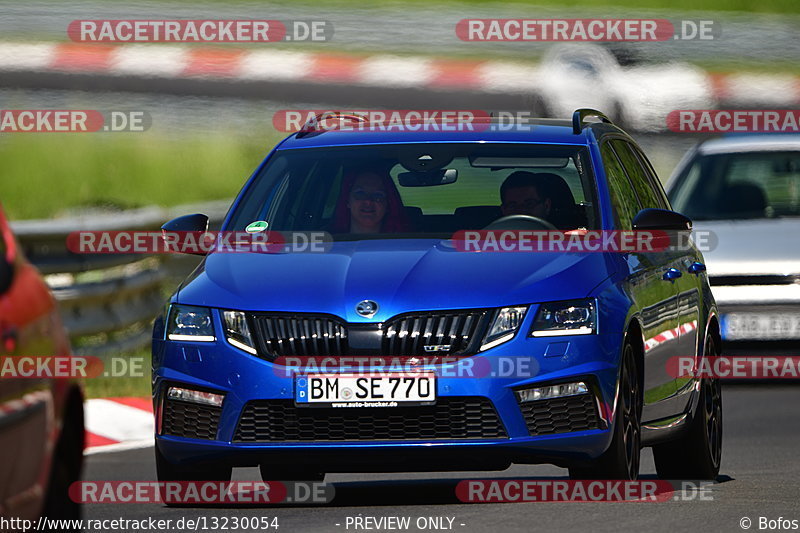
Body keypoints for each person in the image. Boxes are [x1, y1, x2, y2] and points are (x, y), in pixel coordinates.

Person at [331, 169, 409, 234]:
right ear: (347, 200)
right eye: (360, 193)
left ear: (388, 204)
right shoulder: (326, 243)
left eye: (378, 195)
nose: (368, 201)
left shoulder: (404, 245)